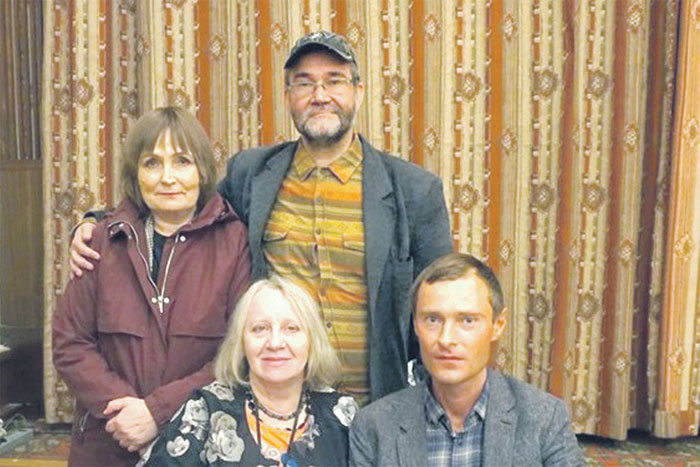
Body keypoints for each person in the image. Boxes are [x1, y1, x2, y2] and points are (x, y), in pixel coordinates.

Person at [69, 30, 454, 404]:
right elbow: (183, 204)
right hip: (274, 410)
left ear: (358, 91)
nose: (320, 95)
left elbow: (441, 305)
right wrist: (97, 222)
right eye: (304, 83)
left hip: (371, 412)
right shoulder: (251, 174)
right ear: (288, 97)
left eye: (334, 81)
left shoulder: (413, 191)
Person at [52, 107, 251, 466]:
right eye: (152, 163)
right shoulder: (100, 240)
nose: (168, 178)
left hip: (197, 443)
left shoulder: (234, 241)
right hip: (107, 441)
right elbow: (70, 342)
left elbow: (237, 351)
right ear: (136, 174)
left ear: (202, 170)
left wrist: (157, 412)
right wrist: (126, 413)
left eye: (182, 162)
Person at [349, 253, 585, 466]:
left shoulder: (544, 418)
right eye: (432, 319)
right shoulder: (374, 427)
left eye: (467, 320)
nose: (446, 339)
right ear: (416, 325)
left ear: (497, 325)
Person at [138, 276, 358, 467]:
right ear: (241, 343)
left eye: (291, 328)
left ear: (312, 341)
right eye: (259, 329)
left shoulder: (341, 414)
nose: (275, 343)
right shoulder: (206, 409)